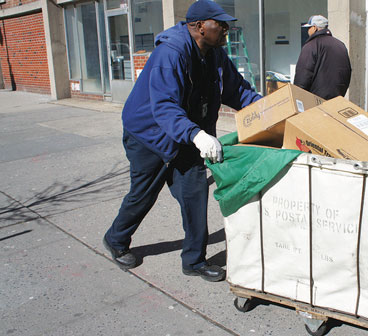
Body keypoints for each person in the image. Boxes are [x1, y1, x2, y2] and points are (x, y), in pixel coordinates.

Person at [102, 0, 261, 282]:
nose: (226, 30)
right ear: (200, 27)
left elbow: (238, 92)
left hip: (187, 136)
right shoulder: (171, 52)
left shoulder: (214, 54)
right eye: (220, 25)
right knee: (143, 195)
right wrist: (197, 135)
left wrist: (268, 110)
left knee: (195, 195)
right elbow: (163, 106)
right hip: (149, 136)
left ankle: (194, 260)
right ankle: (115, 239)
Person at [293, 15, 352, 100]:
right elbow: (347, 71)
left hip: (316, 100)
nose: (308, 31)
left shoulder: (311, 45)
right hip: (337, 99)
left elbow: (303, 74)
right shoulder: (340, 45)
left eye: (309, 28)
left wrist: (297, 95)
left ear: (314, 28)